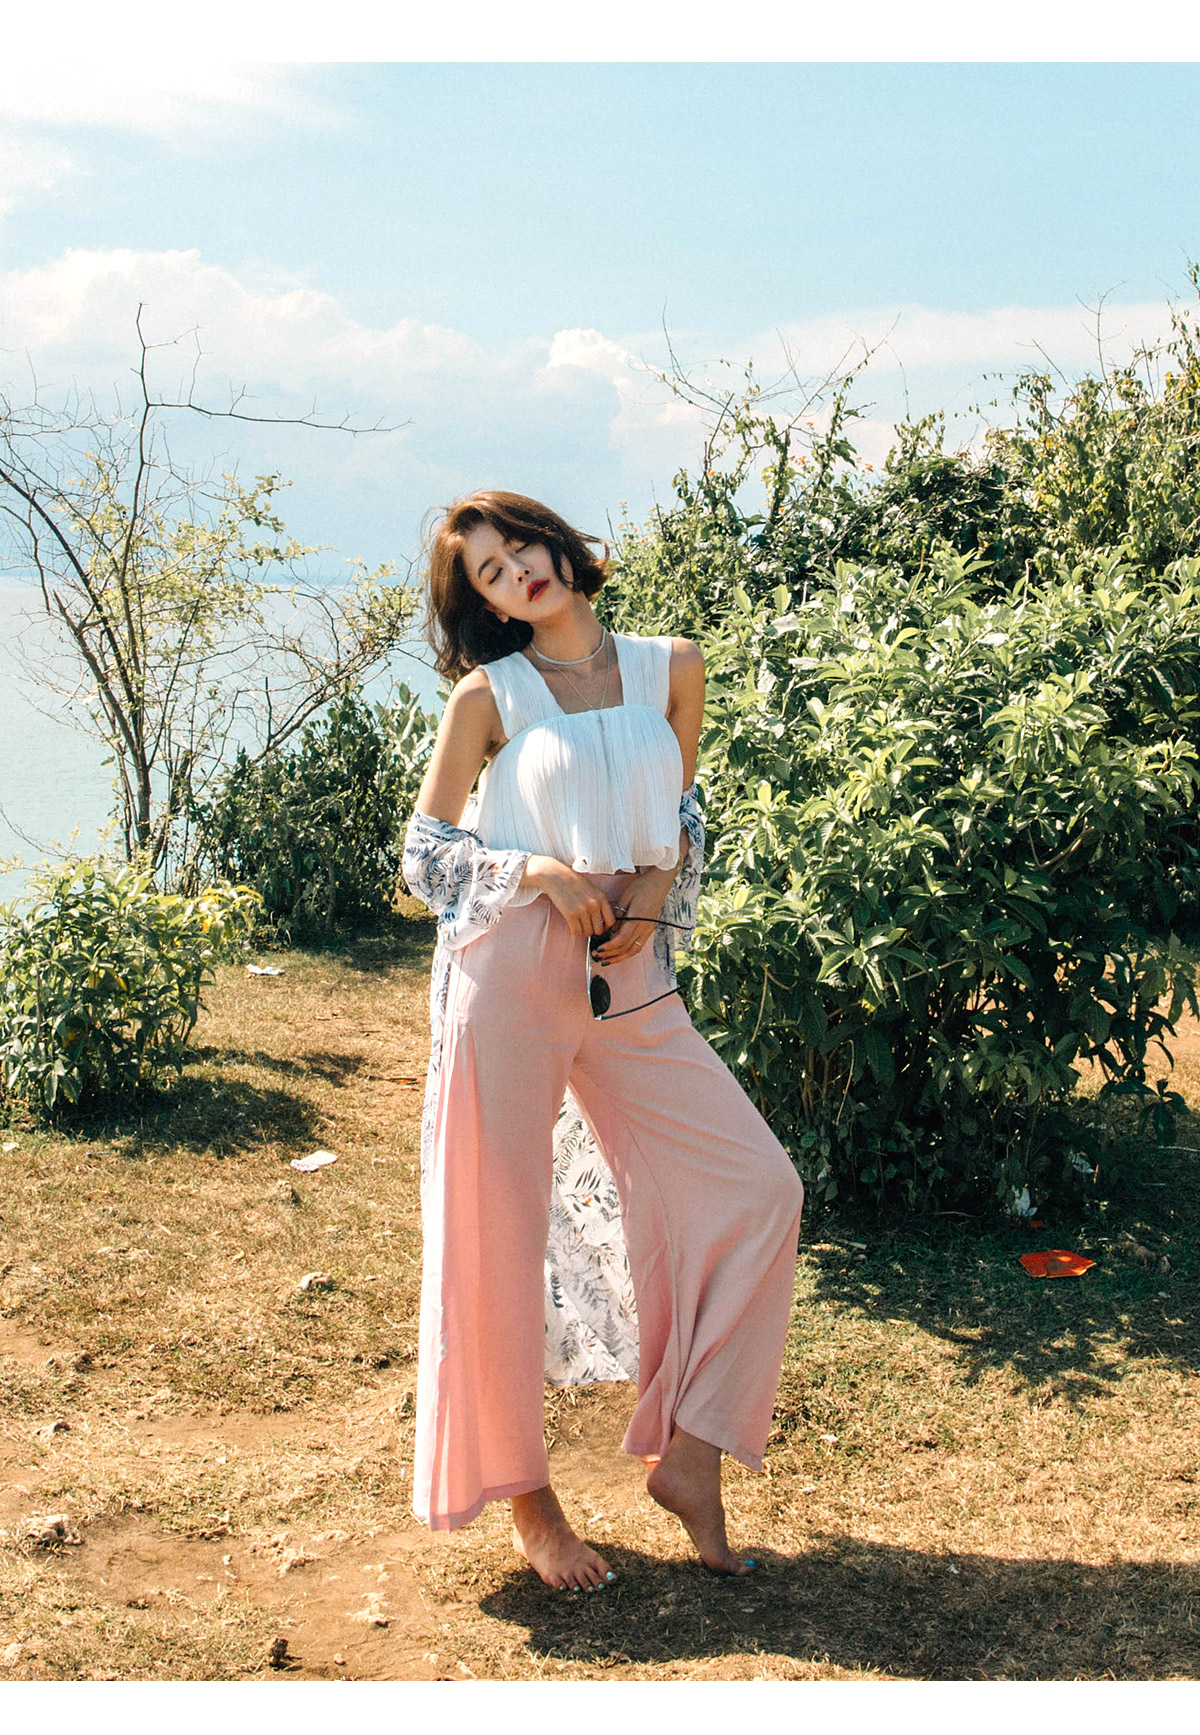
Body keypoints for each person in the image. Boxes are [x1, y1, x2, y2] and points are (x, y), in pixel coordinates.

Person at [402, 490, 804, 1590]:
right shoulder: (490, 696)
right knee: (495, 1233)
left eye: (519, 545)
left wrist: (657, 889)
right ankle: (529, 1503)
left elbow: (680, 808)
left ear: (556, 540)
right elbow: (424, 855)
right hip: (509, 977)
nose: (516, 572)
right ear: (487, 605)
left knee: (760, 1186)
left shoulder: (675, 665)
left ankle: (693, 1454)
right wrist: (536, 870)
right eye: (488, 572)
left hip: (629, 974)